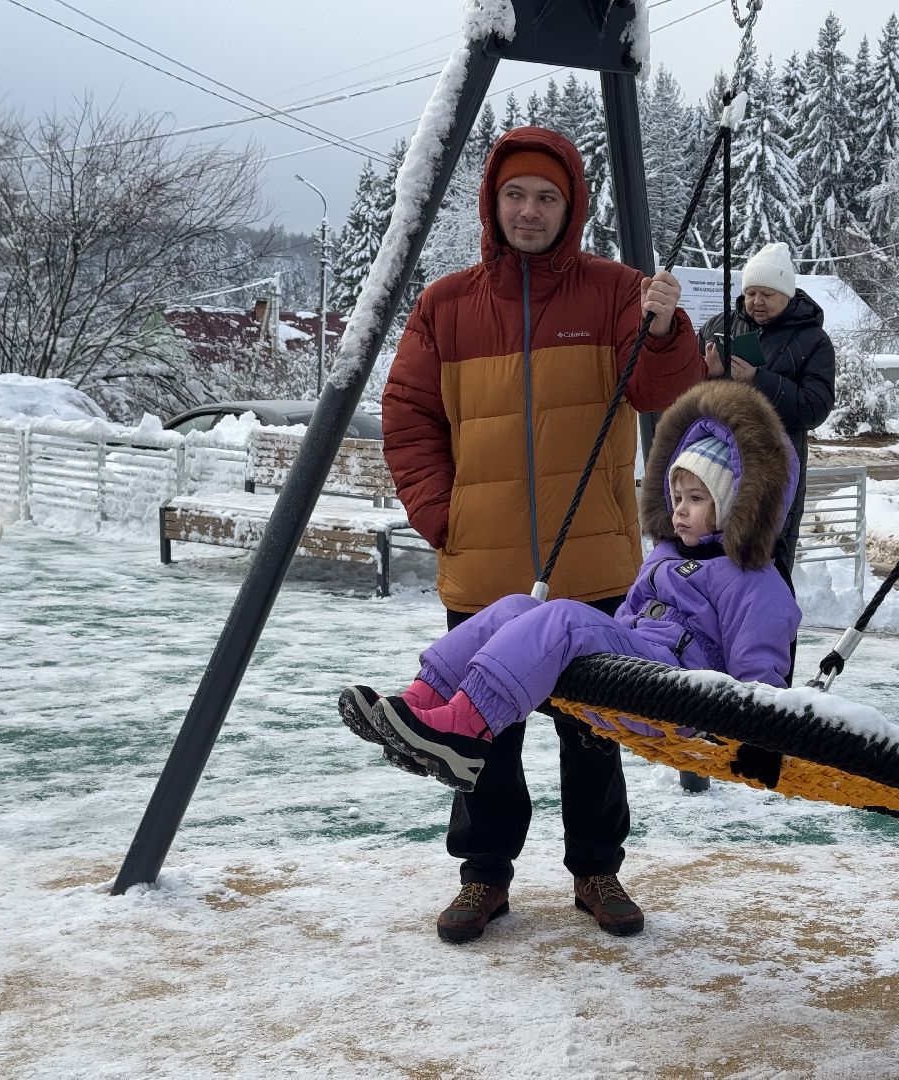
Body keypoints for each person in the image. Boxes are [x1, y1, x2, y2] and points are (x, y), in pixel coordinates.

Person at [378, 126, 703, 943]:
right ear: (493, 204)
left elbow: (667, 386)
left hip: (591, 564)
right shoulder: (446, 305)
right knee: (478, 731)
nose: (530, 211)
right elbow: (407, 416)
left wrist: (665, 330)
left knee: (594, 733)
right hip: (482, 568)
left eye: (547, 197)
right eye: (516, 195)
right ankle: (483, 877)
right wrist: (443, 515)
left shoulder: (615, 292)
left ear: (572, 207)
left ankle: (597, 870)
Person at [344, 379, 802, 940]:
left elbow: (760, 673)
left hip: (672, 688)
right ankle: (423, 701)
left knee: (563, 617)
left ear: (735, 502)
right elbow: (630, 620)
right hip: (629, 665)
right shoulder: (664, 557)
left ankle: (467, 729)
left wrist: (748, 733)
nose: (680, 511)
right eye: (676, 498)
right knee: (516, 605)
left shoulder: (753, 581)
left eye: (697, 499)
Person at [698, 241, 836, 580]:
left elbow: (814, 407)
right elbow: (686, 392)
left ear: (787, 295)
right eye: (751, 293)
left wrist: (760, 380)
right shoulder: (720, 325)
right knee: (710, 551)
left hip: (776, 465)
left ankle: (774, 630)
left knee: (768, 554)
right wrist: (707, 374)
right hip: (716, 460)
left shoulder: (813, 340)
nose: (757, 302)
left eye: (767, 294)